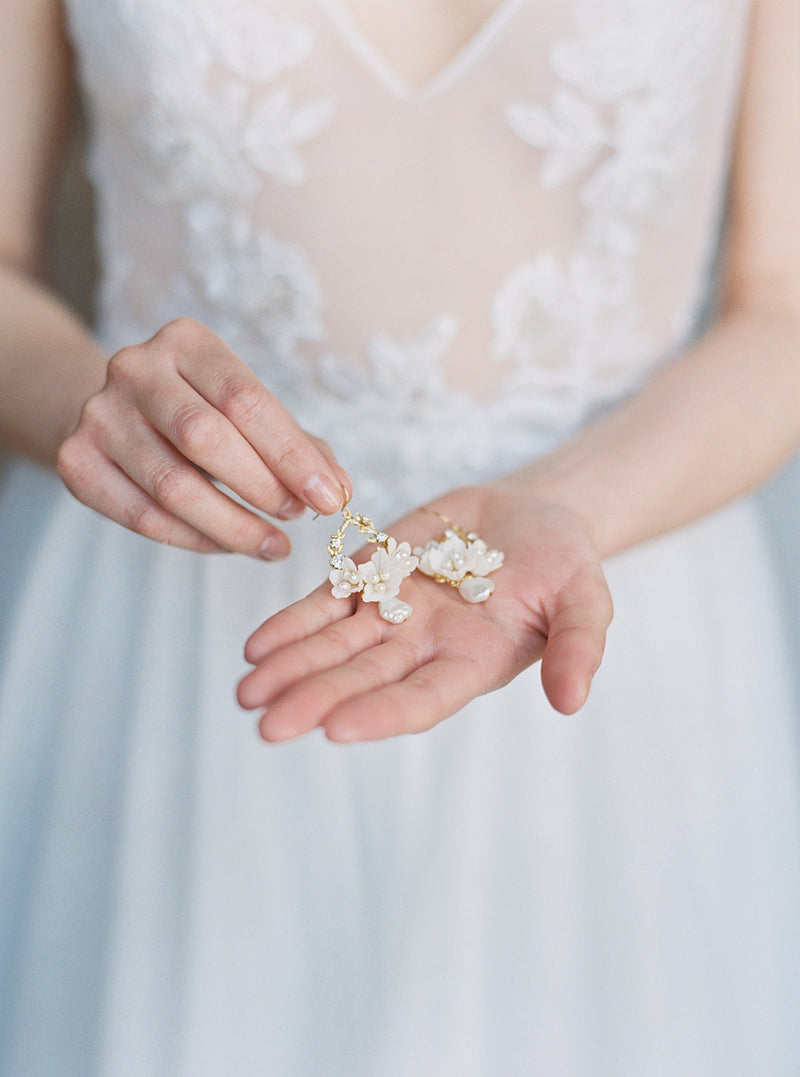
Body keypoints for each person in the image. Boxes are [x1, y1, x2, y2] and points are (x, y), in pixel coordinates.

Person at [1, 0, 799, 1073]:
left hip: (621, 598)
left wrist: (571, 505)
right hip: (169, 611)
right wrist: (96, 407)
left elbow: (782, 305)